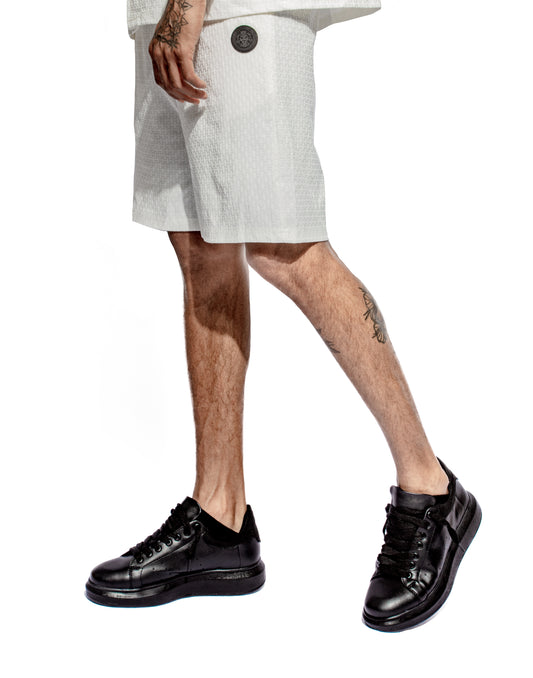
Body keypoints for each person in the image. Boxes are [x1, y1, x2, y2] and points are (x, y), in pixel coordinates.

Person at [85, 0, 481, 632]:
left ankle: (430, 486)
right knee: (201, 245)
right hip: (162, 14)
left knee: (284, 246)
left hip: (231, 9)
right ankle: (220, 519)